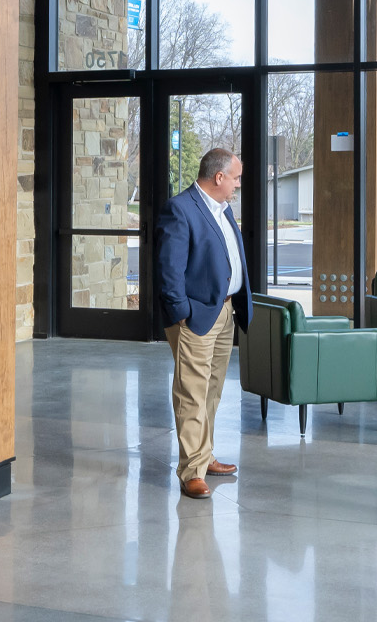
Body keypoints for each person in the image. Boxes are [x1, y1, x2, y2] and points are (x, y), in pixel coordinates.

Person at [155, 148, 253, 499]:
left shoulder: (222, 210)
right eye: (237, 178)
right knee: (192, 392)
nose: (239, 185)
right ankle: (191, 471)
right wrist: (184, 312)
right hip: (196, 316)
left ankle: (204, 455)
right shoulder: (180, 209)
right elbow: (169, 270)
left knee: (211, 390)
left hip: (225, 312)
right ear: (219, 177)